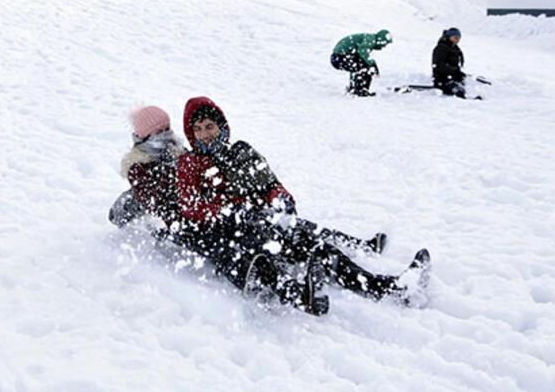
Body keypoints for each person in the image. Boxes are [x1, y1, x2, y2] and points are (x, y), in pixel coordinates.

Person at [176, 96, 430, 307]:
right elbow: (191, 206)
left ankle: (388, 289)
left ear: (221, 125)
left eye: (209, 126)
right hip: (232, 231)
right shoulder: (190, 164)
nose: (205, 135)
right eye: (197, 130)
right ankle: (299, 294)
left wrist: (281, 202)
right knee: (261, 257)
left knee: (318, 247)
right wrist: (233, 212)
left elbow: (272, 185)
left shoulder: (242, 151)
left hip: (265, 221)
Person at [110, 106, 330, 315]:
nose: (166, 134)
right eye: (159, 131)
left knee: (245, 229)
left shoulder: (176, 151)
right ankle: (287, 291)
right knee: (221, 246)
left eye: (167, 128)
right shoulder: (138, 166)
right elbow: (160, 203)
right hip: (177, 224)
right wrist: (189, 206)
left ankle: (294, 257)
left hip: (201, 211)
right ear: (145, 137)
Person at [330, 30, 393, 97]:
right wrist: (372, 64)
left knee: (359, 66)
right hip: (339, 57)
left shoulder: (369, 38)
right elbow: (363, 51)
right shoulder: (370, 39)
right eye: (384, 44)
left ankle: (355, 89)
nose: (384, 46)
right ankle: (360, 91)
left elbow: (361, 56)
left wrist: (371, 65)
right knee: (364, 68)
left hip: (337, 58)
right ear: (380, 40)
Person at [432, 27, 467, 99]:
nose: (457, 40)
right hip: (442, 78)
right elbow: (439, 65)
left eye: (459, 38)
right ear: (449, 37)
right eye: (455, 37)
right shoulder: (442, 48)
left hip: (451, 77)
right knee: (459, 92)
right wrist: (453, 71)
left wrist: (457, 72)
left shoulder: (454, 47)